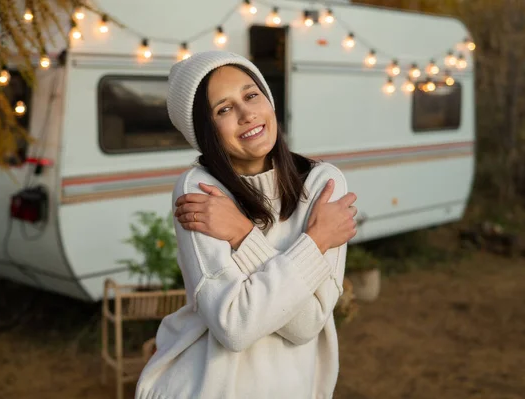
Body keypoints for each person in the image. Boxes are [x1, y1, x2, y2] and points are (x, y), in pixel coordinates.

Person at [136, 51, 358, 399]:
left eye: (251, 94)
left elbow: (308, 323)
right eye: (223, 109)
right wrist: (314, 242)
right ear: (205, 133)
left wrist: (242, 235)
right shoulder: (200, 189)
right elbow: (234, 327)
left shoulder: (322, 184)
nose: (246, 113)